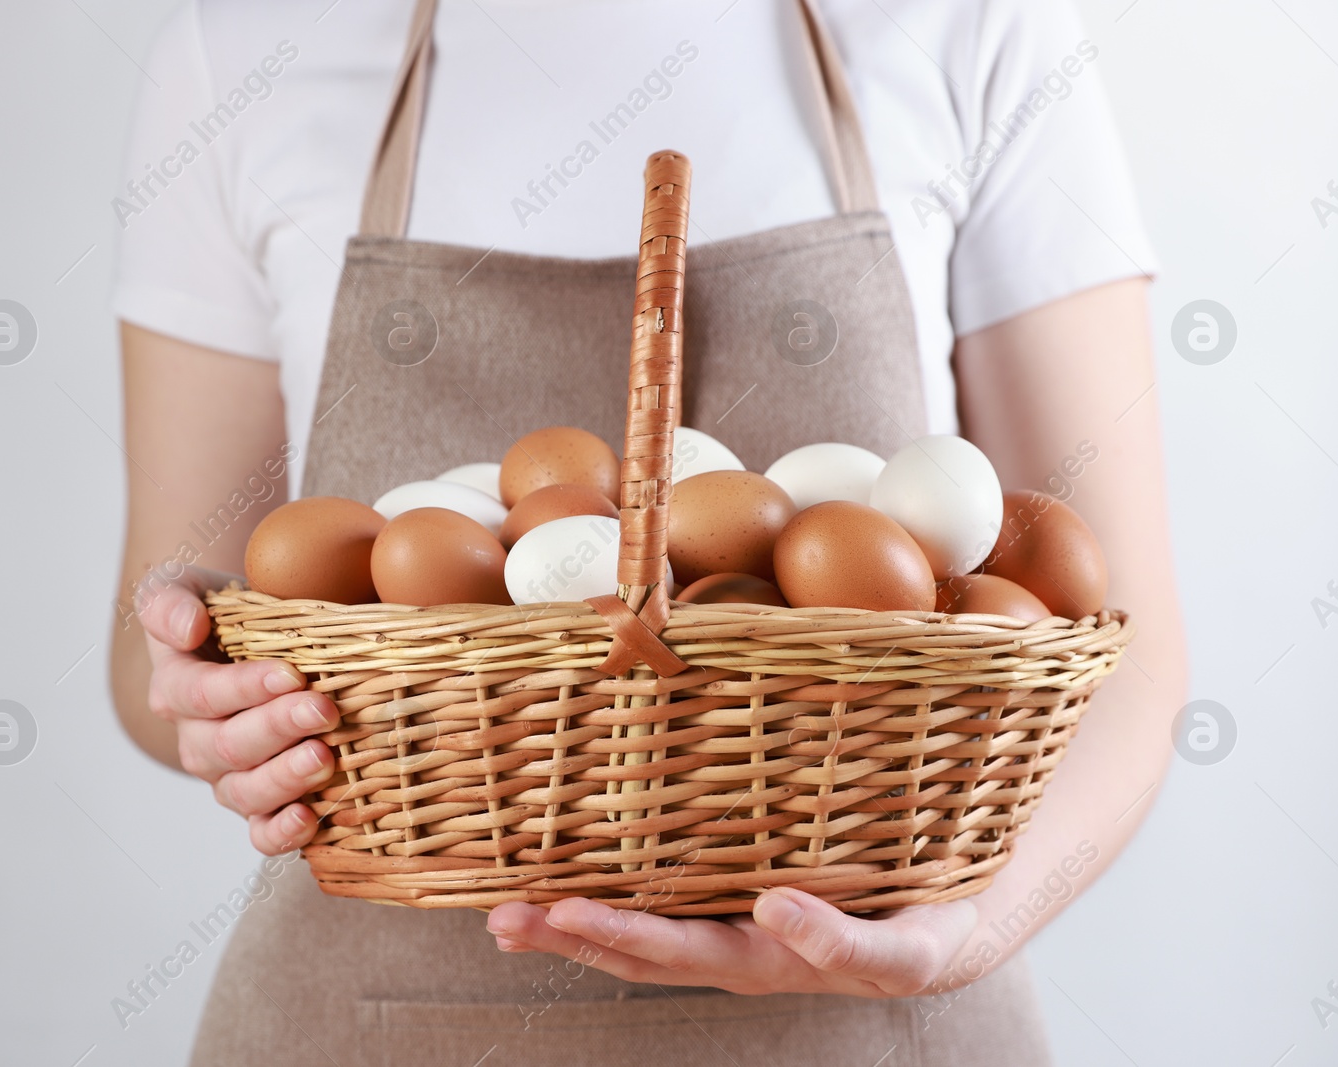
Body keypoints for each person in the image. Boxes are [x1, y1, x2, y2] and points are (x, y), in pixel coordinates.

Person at [109, 1, 1188, 1063]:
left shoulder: (971, 26)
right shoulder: (245, 53)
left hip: (870, 1007)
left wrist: (963, 933)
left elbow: (1115, 645)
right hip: (364, 1016)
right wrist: (214, 691)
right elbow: (155, 647)